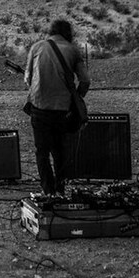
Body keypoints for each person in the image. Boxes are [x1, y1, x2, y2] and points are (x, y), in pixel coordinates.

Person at [23, 19, 91, 196]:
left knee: (42, 152)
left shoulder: (36, 47)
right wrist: (76, 97)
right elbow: (85, 80)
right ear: (68, 33)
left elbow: (28, 79)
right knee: (60, 150)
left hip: (39, 107)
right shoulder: (72, 50)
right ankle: (60, 189)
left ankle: (48, 190)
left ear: (51, 31)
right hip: (62, 110)